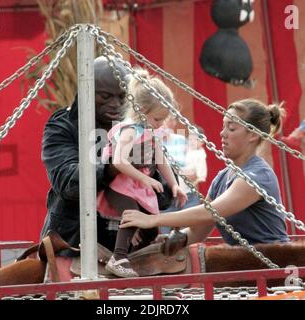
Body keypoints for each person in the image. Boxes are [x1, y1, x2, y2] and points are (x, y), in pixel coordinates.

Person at [40, 56, 172, 257]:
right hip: (74, 245)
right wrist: (115, 165)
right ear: (86, 92)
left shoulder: (141, 128)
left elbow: (166, 196)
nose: (115, 104)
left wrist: (149, 170)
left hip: (133, 251)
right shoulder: (63, 125)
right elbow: (68, 183)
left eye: (122, 97)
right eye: (105, 96)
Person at [120, 99, 290, 247]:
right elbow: (197, 231)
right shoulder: (222, 177)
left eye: (231, 128)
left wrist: (153, 220)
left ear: (252, 135)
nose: (222, 133)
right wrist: (168, 241)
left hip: (272, 267)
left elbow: (210, 212)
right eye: (223, 127)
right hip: (244, 263)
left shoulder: (258, 176)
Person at [97, 69, 187, 277]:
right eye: (157, 119)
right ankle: (118, 258)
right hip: (119, 184)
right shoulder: (129, 131)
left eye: (163, 120)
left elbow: (160, 158)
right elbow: (118, 161)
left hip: (136, 184)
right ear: (142, 110)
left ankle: (138, 255)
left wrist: (174, 184)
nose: (161, 124)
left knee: (150, 223)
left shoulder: (152, 130)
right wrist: (145, 178)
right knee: (131, 213)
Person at [180, 126, 208, 207]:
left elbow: (201, 177)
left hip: (190, 192)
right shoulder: (188, 150)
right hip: (181, 187)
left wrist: (192, 186)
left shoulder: (200, 155)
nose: (192, 142)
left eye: (195, 139)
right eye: (190, 139)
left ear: (202, 141)